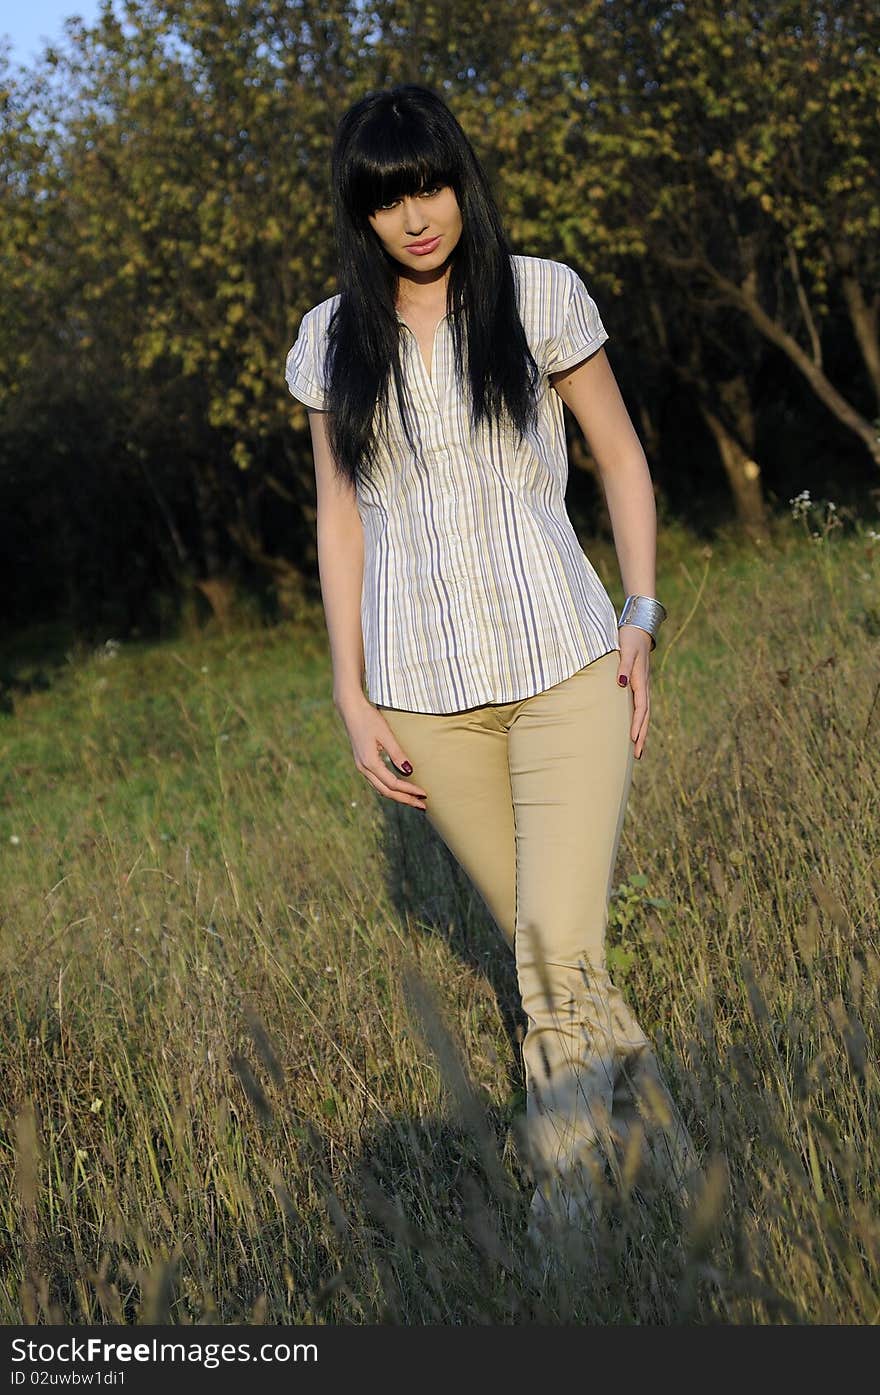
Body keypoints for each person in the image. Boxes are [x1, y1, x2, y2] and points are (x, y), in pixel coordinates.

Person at [284, 83, 697, 1258]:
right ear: (359, 214)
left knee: (555, 950)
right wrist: (350, 692)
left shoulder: (542, 295)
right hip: (426, 697)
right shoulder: (329, 341)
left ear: (459, 177)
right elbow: (340, 522)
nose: (416, 215)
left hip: (566, 663)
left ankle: (562, 1228)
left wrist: (641, 611)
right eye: (387, 198)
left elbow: (620, 458)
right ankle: (667, 1164)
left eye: (428, 185)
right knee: (544, 959)